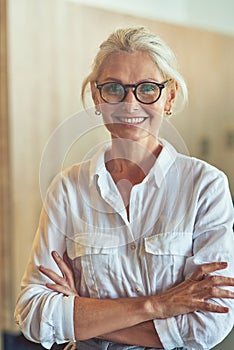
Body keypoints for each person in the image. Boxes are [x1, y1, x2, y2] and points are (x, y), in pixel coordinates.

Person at [15, 27, 234, 350]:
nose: (130, 104)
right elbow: (32, 312)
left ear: (169, 97)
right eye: (114, 88)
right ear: (97, 96)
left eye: (147, 89)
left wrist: (81, 316)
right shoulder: (67, 189)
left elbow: (209, 324)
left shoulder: (205, 186)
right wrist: (156, 306)